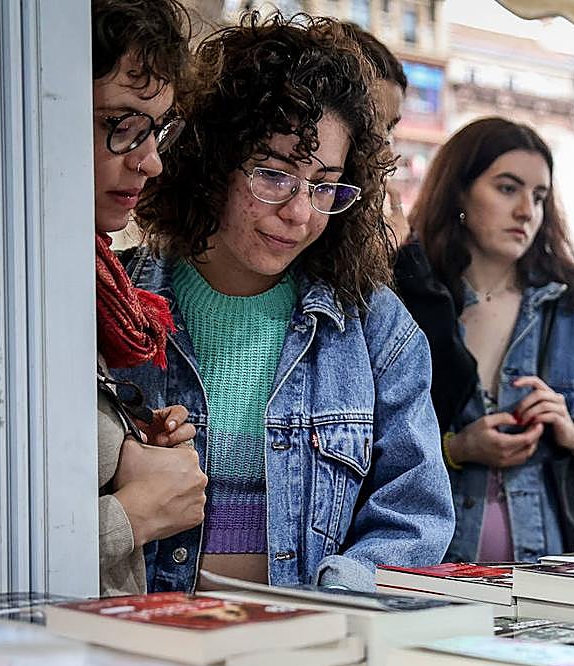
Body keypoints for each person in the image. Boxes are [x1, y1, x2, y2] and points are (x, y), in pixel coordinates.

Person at [118, 15, 454, 593]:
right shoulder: (116, 305)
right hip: (145, 649)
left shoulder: (374, 326)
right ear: (209, 162)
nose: (301, 213)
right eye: (275, 176)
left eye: (325, 185)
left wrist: (329, 604)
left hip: (311, 654)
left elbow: (415, 513)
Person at [409, 117, 574, 563]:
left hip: (551, 585)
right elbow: (365, 445)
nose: (527, 210)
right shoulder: (409, 305)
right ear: (458, 191)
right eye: (508, 189)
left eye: (539, 196)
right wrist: (456, 449)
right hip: (430, 578)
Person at [92, 0, 207, 595]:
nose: (151, 160)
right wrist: (134, 516)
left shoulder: (86, 276)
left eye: (157, 130)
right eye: (122, 124)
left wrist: (126, 449)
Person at [331, 21, 479, 433]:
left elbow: (446, 388)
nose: (386, 152)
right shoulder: (294, 236)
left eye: (390, 129)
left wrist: (399, 255)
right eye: (371, 127)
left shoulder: (384, 236)